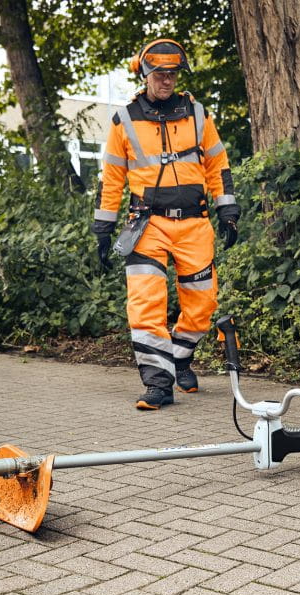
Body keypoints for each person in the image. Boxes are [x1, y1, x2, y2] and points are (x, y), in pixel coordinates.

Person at [92, 38, 240, 410]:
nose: (167, 80)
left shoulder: (199, 114)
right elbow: (111, 179)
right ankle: (158, 384)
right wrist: (103, 228)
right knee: (145, 305)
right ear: (145, 75)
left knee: (203, 303)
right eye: (159, 74)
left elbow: (218, 166)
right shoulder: (125, 120)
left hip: (194, 224)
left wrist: (228, 210)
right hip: (147, 226)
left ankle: (179, 357)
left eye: (172, 74)